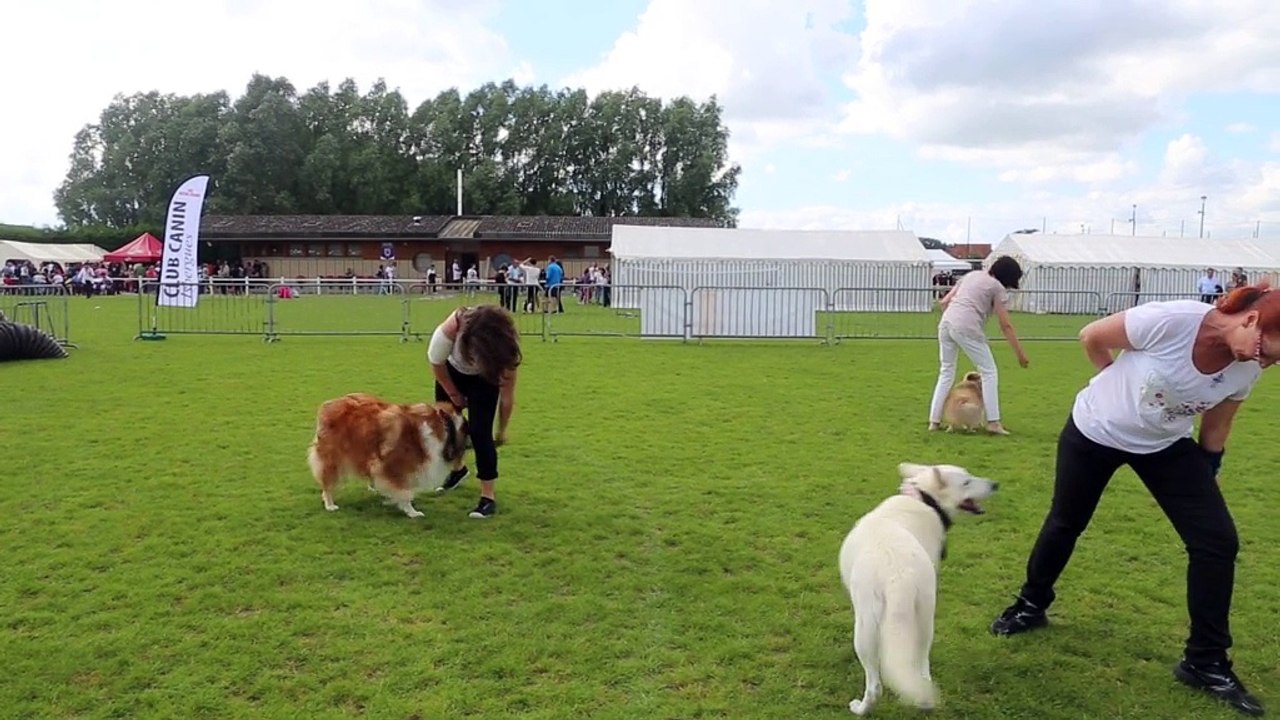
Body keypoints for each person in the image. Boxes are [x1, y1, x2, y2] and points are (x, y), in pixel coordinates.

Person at [989, 284, 1279, 717]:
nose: (1264, 362)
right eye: (1264, 350)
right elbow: (1091, 335)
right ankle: (1031, 605)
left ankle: (1204, 660)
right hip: (1096, 430)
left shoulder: (1246, 368)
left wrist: (1208, 473)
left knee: (1217, 541)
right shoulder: (1172, 321)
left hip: (1165, 445)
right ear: (1251, 319)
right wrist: (1109, 378)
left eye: (1275, 359)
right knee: (1067, 521)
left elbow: (1216, 428)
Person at [427, 304, 522, 519]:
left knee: (480, 434)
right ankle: (458, 470)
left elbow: (506, 396)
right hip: (451, 373)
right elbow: (436, 362)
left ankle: (488, 497)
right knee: (448, 427)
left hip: (484, 379)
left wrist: (502, 430)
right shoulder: (454, 327)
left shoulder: (506, 349)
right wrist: (453, 395)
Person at [927, 255, 1030, 435]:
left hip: (946, 323)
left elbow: (944, 301)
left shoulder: (972, 275)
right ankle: (993, 422)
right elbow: (1005, 324)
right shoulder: (997, 288)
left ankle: (934, 421)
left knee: (946, 371)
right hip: (967, 327)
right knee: (989, 372)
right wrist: (1020, 354)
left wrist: (954, 317)